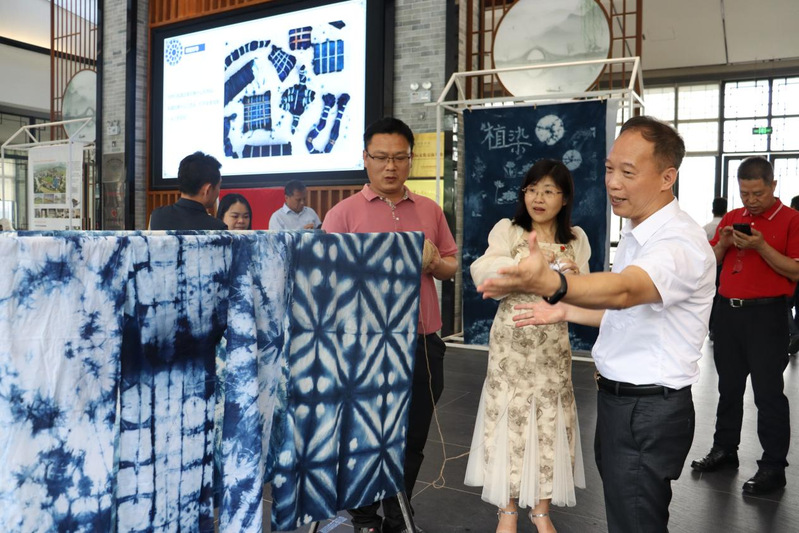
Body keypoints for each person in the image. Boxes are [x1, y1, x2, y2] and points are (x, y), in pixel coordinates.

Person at [477, 116, 716, 533]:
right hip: (620, 401)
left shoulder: (678, 242)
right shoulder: (637, 234)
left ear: (667, 177)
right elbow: (622, 313)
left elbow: (624, 292)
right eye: (609, 169)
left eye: (628, 172)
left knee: (635, 520)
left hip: (647, 407)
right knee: (626, 516)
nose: (613, 183)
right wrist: (565, 311)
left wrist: (554, 284)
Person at [322, 117, 458, 533]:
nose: (391, 166)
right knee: (363, 435)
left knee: (412, 436)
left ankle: (398, 514)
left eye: (400, 157)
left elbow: (451, 266)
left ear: (410, 159)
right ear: (365, 158)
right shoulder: (343, 214)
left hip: (421, 342)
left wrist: (433, 262)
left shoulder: (430, 210)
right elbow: (325, 279)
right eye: (381, 157)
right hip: (363, 344)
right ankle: (364, 518)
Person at [465, 159, 590, 533]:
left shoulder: (576, 238)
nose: (539, 198)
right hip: (512, 340)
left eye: (549, 191)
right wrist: (524, 266)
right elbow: (482, 271)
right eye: (532, 190)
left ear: (564, 198)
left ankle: (541, 511)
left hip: (552, 342)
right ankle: (507, 510)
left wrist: (571, 278)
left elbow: (585, 292)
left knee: (552, 421)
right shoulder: (508, 230)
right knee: (509, 417)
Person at [690, 156, 799, 495]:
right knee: (728, 388)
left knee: (768, 393)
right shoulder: (734, 217)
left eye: (758, 194)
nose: (750, 201)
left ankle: (773, 467)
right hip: (728, 313)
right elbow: (709, 262)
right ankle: (725, 449)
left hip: (767, 316)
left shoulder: (792, 220)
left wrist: (761, 246)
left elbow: (795, 270)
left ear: (773, 185)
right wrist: (723, 242)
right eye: (744, 193)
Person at [149, 151, 227, 230]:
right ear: (208, 189)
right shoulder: (217, 228)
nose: (218, 191)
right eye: (219, 186)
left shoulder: (156, 216)